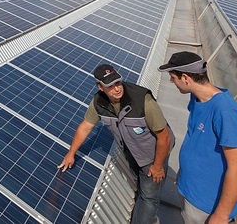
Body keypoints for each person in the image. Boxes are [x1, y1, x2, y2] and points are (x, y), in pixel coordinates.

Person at [59, 64, 174, 224]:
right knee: (141, 187)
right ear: (100, 87)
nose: (117, 88)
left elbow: (164, 137)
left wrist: (158, 166)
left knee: (149, 196)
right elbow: (85, 127)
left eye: (118, 82)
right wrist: (71, 153)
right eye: (110, 86)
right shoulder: (98, 103)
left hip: (153, 151)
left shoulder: (142, 100)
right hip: (132, 150)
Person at [158, 51, 237, 224]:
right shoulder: (196, 98)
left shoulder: (225, 111)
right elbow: (196, 139)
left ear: (185, 78)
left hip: (207, 204)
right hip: (189, 190)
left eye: (172, 77)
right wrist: (185, 173)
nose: (171, 82)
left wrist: (221, 215)